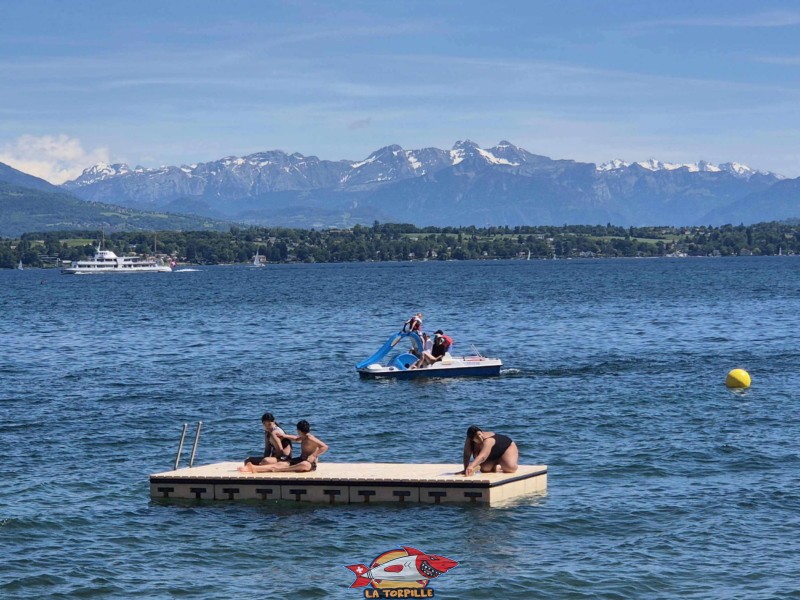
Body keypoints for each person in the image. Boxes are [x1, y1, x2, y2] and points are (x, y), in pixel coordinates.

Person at [239, 420, 328, 473]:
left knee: (304, 465)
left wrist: (313, 455)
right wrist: (284, 436)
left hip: (310, 463)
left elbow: (324, 447)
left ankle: (278, 470)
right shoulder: (304, 436)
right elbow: (296, 439)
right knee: (281, 463)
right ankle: (254, 468)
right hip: (300, 459)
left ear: (299, 430)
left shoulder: (310, 438)